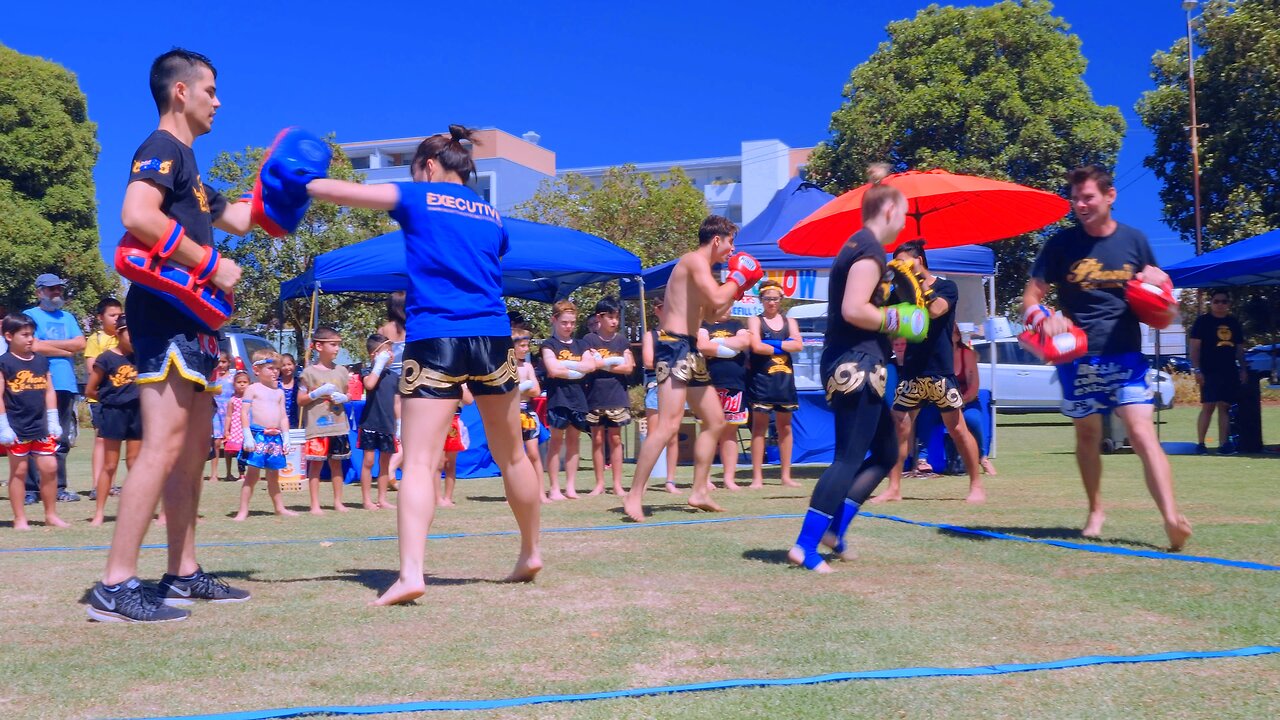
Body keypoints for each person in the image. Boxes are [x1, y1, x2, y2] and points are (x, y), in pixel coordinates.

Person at [306, 124, 543, 604]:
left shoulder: (420, 197)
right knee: (513, 453)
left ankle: (412, 573)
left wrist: (293, 180)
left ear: (428, 167)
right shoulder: (493, 217)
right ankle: (530, 551)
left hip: (435, 336)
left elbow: (339, 192)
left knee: (417, 462)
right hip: (493, 337)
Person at [89, 49, 256, 623]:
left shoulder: (192, 169)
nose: (218, 101)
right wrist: (207, 263)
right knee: (160, 450)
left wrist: (297, 186)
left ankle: (182, 573)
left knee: (188, 456)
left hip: (193, 324)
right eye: (210, 89)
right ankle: (114, 584)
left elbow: (245, 217)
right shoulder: (162, 149)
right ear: (181, 92)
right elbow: (136, 213)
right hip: (164, 317)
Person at [1022, 164, 1191, 550]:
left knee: (1142, 432)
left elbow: (1162, 298)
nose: (1080, 205)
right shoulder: (1061, 243)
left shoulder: (1135, 241)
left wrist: (1162, 297)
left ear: (1110, 196)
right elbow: (1031, 297)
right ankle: (1096, 509)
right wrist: (1045, 317)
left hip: (1125, 354)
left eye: (1088, 197)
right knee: (1087, 435)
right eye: (1075, 198)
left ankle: (1170, 518)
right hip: (1076, 356)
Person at [788, 166, 927, 572]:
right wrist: (896, 320)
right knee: (847, 459)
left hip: (858, 362)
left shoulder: (860, 247)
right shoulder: (868, 250)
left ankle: (834, 530)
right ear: (887, 211)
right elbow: (853, 308)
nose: (903, 223)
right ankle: (805, 545)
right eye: (901, 214)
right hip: (857, 365)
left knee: (886, 451)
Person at [623, 215, 764, 522]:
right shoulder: (693, 260)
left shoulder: (705, 270)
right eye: (730, 243)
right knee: (668, 426)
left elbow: (714, 313)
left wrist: (739, 289)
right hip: (673, 346)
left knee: (715, 420)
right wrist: (737, 279)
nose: (732, 250)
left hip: (691, 348)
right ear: (717, 240)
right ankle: (633, 496)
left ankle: (699, 491)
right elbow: (716, 297)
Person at [871, 240, 985, 504]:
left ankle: (976, 484)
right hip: (911, 369)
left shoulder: (946, 286)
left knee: (956, 428)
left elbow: (935, 311)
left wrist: (918, 278)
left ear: (919, 260)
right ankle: (894, 488)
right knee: (899, 425)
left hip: (939, 371)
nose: (900, 267)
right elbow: (882, 315)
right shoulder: (900, 292)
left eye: (904, 262)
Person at [1, 312, 70, 530]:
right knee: (19, 471)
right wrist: (3, 425)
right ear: (9, 336)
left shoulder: (41, 361)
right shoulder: (4, 362)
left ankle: (51, 514)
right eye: (25, 335)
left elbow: (49, 389)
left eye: (32, 334)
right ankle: (19, 518)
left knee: (49, 468)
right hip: (16, 426)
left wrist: (52, 419)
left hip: (40, 424)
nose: (30, 339)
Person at [24, 273, 84, 503]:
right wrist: (66, 350)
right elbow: (32, 345)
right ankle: (32, 489)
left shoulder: (68, 316)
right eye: (51, 289)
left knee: (60, 437)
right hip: (35, 382)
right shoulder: (29, 315)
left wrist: (47, 346)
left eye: (58, 288)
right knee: (32, 435)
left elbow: (81, 344)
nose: (56, 292)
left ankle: (58, 487)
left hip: (65, 384)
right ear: (39, 292)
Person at [85, 314, 142, 526]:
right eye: (131, 333)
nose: (135, 338)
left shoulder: (141, 358)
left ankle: (135, 510)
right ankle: (99, 512)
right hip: (113, 414)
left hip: (137, 413)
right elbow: (91, 389)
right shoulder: (106, 359)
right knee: (109, 465)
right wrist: (112, 400)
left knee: (135, 464)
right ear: (119, 333)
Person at [746, 279, 802, 489]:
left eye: (774, 299)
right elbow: (755, 346)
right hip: (762, 380)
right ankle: (757, 477)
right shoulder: (755, 320)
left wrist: (770, 343)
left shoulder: (790, 322)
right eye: (767, 299)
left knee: (785, 427)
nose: (771, 303)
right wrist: (783, 346)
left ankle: (786, 475)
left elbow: (798, 345)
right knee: (759, 428)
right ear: (761, 300)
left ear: (781, 300)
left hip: (784, 380)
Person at [541, 300, 597, 500]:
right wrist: (576, 366)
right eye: (565, 322)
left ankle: (570, 488)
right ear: (554, 320)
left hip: (579, 399)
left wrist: (565, 365)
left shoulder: (582, 344)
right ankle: (554, 488)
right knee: (556, 443)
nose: (569, 327)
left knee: (574, 442)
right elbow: (553, 370)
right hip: (558, 399)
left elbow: (590, 366)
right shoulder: (548, 345)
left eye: (572, 322)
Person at [233, 349, 296, 521]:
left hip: (275, 439)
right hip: (258, 436)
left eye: (277, 368)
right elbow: (244, 413)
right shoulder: (252, 389)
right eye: (270, 368)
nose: (275, 371)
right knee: (252, 475)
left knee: (274, 475)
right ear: (257, 370)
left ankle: (279, 507)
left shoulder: (279, 392)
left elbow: (283, 416)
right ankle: (243, 510)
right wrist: (247, 435)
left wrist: (287, 438)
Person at [584, 297, 635, 497]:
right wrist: (614, 363)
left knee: (615, 439)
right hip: (595, 395)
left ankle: (617, 484)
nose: (614, 321)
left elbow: (628, 367)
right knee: (597, 440)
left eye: (616, 317)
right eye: (610, 317)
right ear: (600, 317)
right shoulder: (589, 340)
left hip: (617, 396)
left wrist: (603, 362)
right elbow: (590, 365)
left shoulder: (622, 340)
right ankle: (599, 484)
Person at [696, 305, 752, 489]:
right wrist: (730, 350)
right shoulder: (704, 325)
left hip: (735, 384)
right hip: (709, 385)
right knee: (708, 430)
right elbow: (703, 345)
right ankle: (704, 478)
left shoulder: (738, 325)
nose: (727, 308)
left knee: (730, 432)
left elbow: (744, 342)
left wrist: (717, 344)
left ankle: (729, 478)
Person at [299, 327, 353, 514]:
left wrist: (344, 398)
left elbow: (349, 393)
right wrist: (315, 393)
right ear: (319, 346)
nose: (337, 349)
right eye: (333, 344)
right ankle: (315, 504)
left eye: (338, 345)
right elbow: (300, 400)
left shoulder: (342, 371)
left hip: (338, 425)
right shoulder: (308, 373)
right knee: (316, 464)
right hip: (317, 426)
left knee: (337, 464)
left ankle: (338, 502)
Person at [1189, 289, 1247, 455]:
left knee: (1225, 407)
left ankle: (1224, 444)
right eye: (1216, 301)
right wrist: (1197, 369)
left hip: (1229, 371)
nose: (1220, 304)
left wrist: (1243, 368)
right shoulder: (1203, 322)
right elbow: (1194, 348)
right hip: (1209, 371)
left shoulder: (1233, 322)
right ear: (1211, 303)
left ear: (1229, 304)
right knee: (1208, 406)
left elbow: (1239, 349)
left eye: (1224, 301)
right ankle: (1201, 444)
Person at [85, 297, 124, 501]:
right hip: (100, 398)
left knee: (114, 442)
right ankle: (96, 484)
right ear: (101, 317)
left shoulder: (124, 337)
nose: (116, 318)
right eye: (112, 315)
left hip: (121, 399)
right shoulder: (95, 339)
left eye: (119, 315)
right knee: (101, 441)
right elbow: (92, 369)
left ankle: (111, 484)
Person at [641, 298, 680, 494]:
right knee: (654, 435)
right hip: (657, 386)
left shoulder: (680, 333)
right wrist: (675, 362)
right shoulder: (652, 335)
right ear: (657, 310)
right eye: (665, 307)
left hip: (677, 387)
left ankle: (670, 481)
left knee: (673, 436)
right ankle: (644, 479)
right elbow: (648, 361)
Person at [357, 334, 398, 510]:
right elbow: (370, 384)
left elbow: (397, 402)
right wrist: (378, 364)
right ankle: (367, 500)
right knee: (368, 461)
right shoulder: (367, 371)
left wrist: (399, 425)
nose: (390, 354)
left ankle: (382, 499)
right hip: (370, 423)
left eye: (391, 351)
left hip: (387, 424)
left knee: (385, 464)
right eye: (385, 351)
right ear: (374, 354)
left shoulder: (395, 376)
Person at [512, 326, 547, 502]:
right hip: (510, 414)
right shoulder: (506, 368)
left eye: (527, 345)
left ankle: (540, 492)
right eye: (523, 346)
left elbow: (536, 390)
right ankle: (513, 493)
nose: (526, 349)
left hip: (527, 412)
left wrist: (522, 388)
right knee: (513, 455)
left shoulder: (527, 367)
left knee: (533, 453)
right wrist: (522, 388)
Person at [377, 292, 407, 489]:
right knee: (407, 431)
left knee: (396, 428)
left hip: (387, 378)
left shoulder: (382, 329)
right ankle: (390, 471)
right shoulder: (411, 329)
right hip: (408, 377)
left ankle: (393, 472)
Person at [438, 386, 473, 507]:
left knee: (450, 463)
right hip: (438, 421)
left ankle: (448, 497)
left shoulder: (461, 383)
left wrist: (458, 384)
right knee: (439, 463)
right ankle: (436, 497)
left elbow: (469, 401)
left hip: (454, 422)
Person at [222, 371, 250, 481]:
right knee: (240, 452)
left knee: (251, 451)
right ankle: (241, 474)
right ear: (234, 384)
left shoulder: (251, 398)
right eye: (239, 382)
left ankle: (253, 473)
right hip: (237, 429)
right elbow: (228, 416)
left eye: (245, 382)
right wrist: (226, 430)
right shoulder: (232, 400)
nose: (242, 384)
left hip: (249, 427)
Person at [278, 353, 301, 430]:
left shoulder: (299, 383)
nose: (287, 367)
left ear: (294, 365)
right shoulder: (276, 383)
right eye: (283, 365)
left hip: (296, 422)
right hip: (279, 423)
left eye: (289, 364)